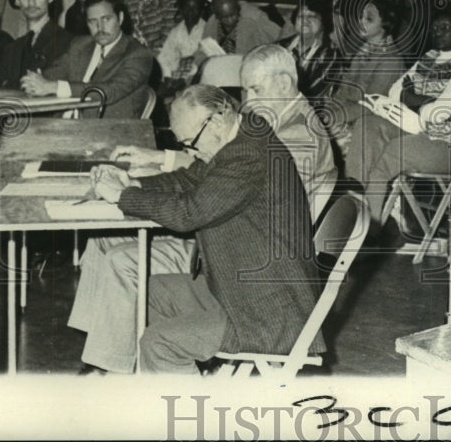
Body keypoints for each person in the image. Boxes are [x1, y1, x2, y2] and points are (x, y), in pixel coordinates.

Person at [88, 84, 324, 374]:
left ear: (216, 119)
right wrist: (133, 183)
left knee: (158, 343)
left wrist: (122, 197)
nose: (191, 151)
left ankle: (189, 414)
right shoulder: (241, 133)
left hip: (268, 313)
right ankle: (150, 380)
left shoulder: (247, 156)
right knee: (146, 294)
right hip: (241, 288)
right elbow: (191, 180)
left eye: (191, 142)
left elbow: (189, 213)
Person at [347, 7, 451, 225]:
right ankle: (353, 202)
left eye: (445, 28)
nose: (437, 32)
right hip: (418, 129)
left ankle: (369, 228)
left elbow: (438, 114)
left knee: (390, 153)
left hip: (448, 145)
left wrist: (411, 96)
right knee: (367, 126)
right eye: (435, 28)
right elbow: (394, 91)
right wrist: (418, 99)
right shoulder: (428, 58)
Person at [239, 45, 339, 223]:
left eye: (257, 90)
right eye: (246, 91)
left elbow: (265, 202)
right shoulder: (290, 119)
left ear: (284, 84)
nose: (249, 101)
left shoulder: (298, 134)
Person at [20, 0, 154, 119]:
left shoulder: (138, 54)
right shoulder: (80, 45)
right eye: (92, 21)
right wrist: (34, 81)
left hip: (110, 133)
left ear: (120, 18)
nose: (100, 28)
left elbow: (109, 91)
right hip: (64, 125)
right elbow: (51, 74)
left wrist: (53, 86)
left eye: (106, 19)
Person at [0, 0, 73, 88]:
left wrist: (7, 83)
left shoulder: (66, 41)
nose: (31, 2)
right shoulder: (12, 48)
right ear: (17, 1)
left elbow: (40, 85)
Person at [277, 0, 339, 104]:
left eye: (312, 16)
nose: (305, 21)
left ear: (324, 22)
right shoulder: (280, 47)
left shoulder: (331, 55)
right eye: (301, 16)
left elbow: (312, 92)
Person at [194, 0, 280, 64]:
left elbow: (280, 39)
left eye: (233, 15)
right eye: (224, 17)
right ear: (216, 15)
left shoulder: (255, 19)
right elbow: (203, 51)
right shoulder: (212, 23)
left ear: (238, 8)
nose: (230, 20)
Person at [156, 0, 206, 91]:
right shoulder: (176, 31)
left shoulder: (206, 29)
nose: (190, 12)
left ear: (201, 11)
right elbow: (166, 54)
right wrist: (167, 76)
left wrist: (185, 78)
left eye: (195, 8)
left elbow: (202, 59)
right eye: (187, 8)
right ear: (182, 10)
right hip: (180, 72)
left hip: (199, 74)